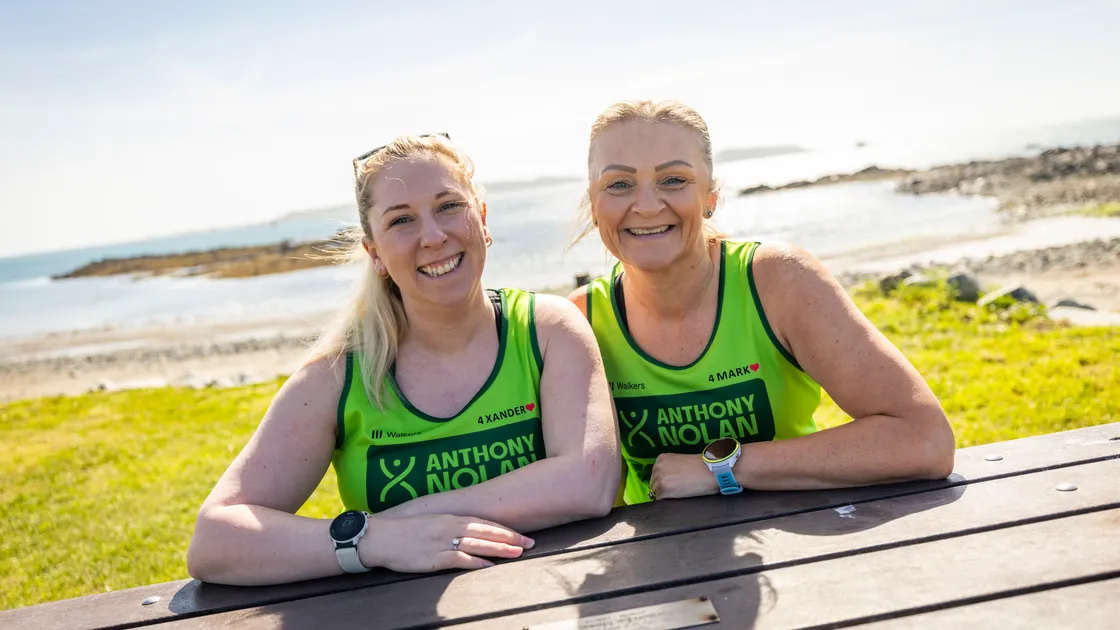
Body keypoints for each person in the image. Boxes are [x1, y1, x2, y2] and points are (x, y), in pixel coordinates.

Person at [188, 134, 619, 586]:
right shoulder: (339, 374)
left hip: (552, 602)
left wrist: (408, 518)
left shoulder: (546, 329)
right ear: (374, 254)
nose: (433, 236)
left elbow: (590, 482)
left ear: (483, 219)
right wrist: (371, 541)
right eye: (401, 221)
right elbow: (215, 541)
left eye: (449, 206)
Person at [568, 101, 955, 506]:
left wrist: (721, 468)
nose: (646, 205)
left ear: (710, 197)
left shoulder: (778, 280)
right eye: (618, 185)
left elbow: (924, 439)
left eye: (674, 180)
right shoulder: (580, 322)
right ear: (594, 206)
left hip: (800, 542)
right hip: (656, 562)